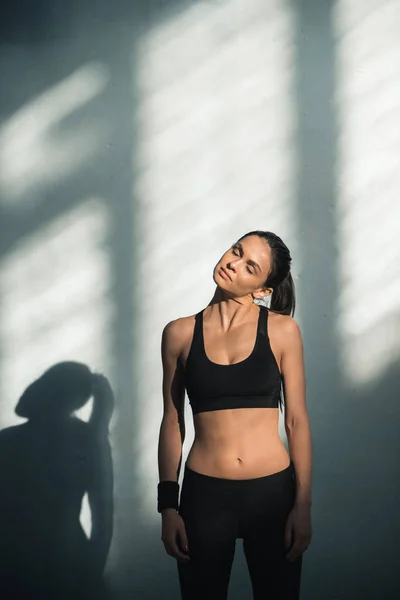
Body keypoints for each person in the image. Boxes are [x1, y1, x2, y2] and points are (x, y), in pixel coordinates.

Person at [157, 231, 312, 600]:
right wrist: (168, 506)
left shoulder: (282, 330)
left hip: (272, 494)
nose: (233, 263)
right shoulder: (179, 333)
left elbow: (297, 421)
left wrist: (303, 505)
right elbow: (172, 420)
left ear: (262, 289)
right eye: (236, 251)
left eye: (250, 266)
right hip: (204, 497)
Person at [0, 361, 114, 600]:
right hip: (69, 564)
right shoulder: (90, 443)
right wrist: (92, 575)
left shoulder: (8, 441)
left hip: (14, 565)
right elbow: (103, 522)